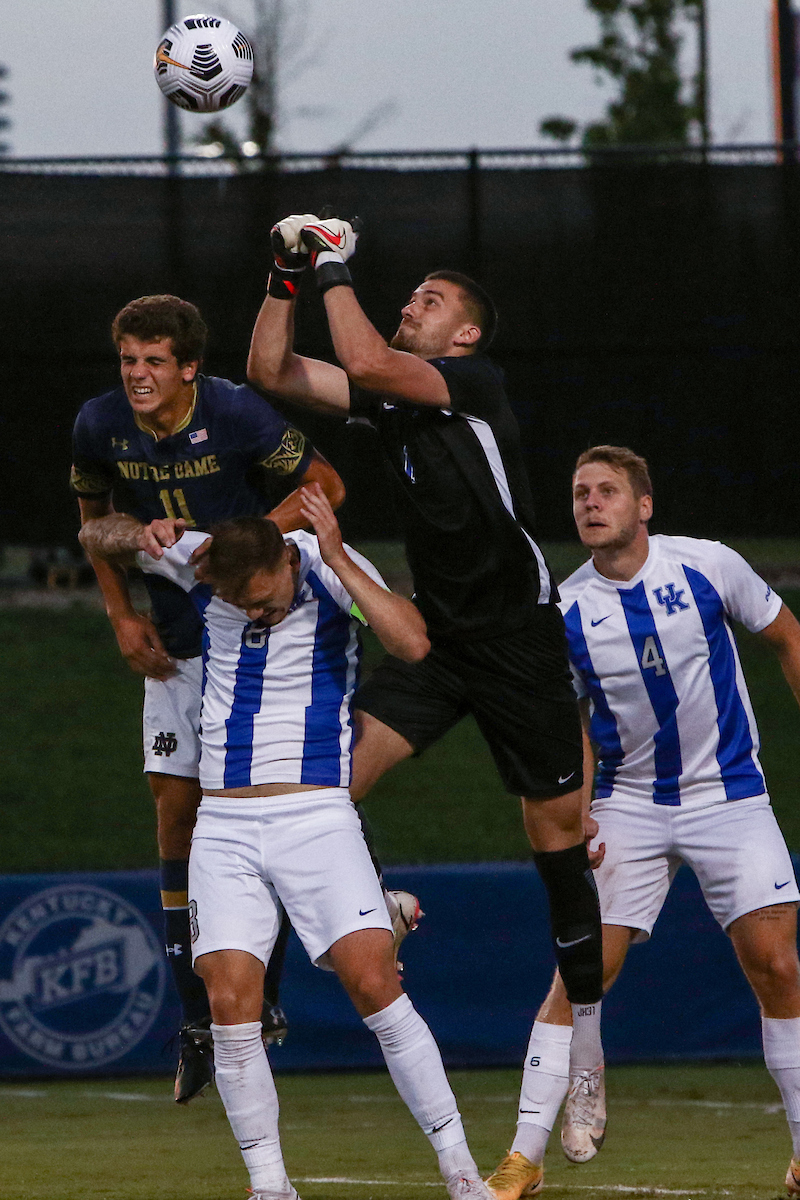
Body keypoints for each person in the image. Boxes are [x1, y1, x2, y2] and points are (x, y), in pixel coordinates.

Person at [247, 213, 605, 1199]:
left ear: (464, 339)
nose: (412, 306)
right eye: (410, 295)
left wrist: (331, 259)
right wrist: (284, 274)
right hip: (435, 640)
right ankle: (384, 905)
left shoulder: (470, 388)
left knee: (557, 842)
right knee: (323, 786)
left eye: (430, 302)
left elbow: (357, 349)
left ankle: (588, 1052)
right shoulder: (386, 408)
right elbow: (273, 373)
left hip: (519, 640)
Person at [79, 485, 496, 1200]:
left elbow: (414, 642)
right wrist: (141, 532)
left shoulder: (325, 568)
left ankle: (462, 1175)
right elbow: (95, 536)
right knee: (231, 1005)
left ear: (284, 561)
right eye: (243, 605)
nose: (258, 612)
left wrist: (337, 552)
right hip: (226, 827)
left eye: (267, 600)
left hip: (316, 817)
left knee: (376, 986)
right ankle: (270, 1188)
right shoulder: (205, 559)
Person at [491, 444, 800, 1199]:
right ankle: (522, 1159)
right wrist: (584, 814)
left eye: (605, 491)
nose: (590, 503)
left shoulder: (707, 565)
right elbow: (574, 727)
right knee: (581, 971)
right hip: (628, 806)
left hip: (730, 797)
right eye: (578, 493)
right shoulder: (564, 611)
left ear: (644, 505)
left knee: (779, 966)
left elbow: (787, 635)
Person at [70, 293, 347, 1102]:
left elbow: (328, 481)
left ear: (189, 366)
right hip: (176, 648)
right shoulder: (99, 425)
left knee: (258, 814)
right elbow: (94, 521)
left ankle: (264, 999)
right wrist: (121, 615)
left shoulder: (235, 412)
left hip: (256, 644)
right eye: (129, 361)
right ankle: (196, 1020)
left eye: (155, 361)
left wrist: (243, 547)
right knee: (174, 816)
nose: (138, 376)